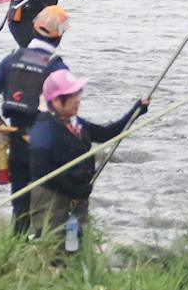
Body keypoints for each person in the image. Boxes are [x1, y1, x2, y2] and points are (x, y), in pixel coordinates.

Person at [17, 70, 149, 250]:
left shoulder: (75, 122)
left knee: (76, 247)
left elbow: (106, 134)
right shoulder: (43, 128)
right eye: (72, 95)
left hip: (76, 196)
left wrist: (136, 111)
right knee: (53, 248)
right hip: (51, 197)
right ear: (56, 101)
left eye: (78, 93)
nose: (78, 99)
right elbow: (40, 170)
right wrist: (74, 190)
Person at [0, 5, 71, 128]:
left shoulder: (11, 60)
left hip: (17, 139)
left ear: (34, 30)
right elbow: (68, 113)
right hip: (47, 141)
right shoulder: (57, 68)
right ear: (60, 36)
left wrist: (2, 126)